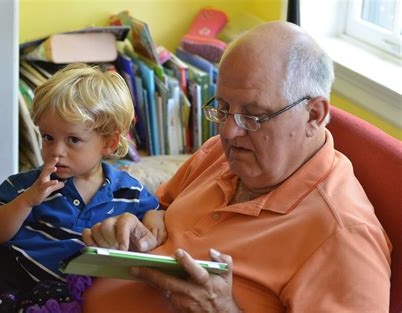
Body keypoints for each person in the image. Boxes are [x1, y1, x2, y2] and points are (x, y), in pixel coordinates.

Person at [81, 21, 392, 312]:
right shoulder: (226, 153)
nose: (228, 132)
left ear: (313, 114)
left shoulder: (345, 239)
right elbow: (160, 208)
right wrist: (137, 227)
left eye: (253, 116)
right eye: (224, 108)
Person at [0, 63, 165, 312]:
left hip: (60, 297)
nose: (56, 151)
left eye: (73, 140)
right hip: (5, 284)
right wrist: (27, 200)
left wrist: (155, 215)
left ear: (109, 142)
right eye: (48, 137)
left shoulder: (129, 192)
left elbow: (156, 210)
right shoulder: (25, 185)